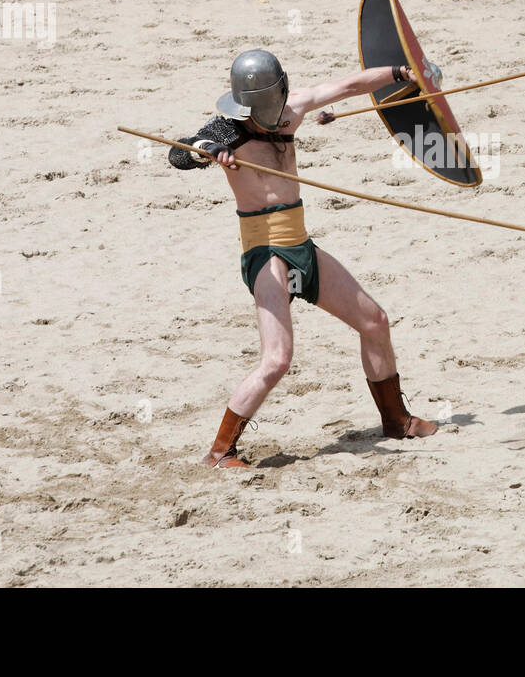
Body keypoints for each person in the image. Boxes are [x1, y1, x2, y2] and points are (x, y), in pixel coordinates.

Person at [168, 49, 437, 467]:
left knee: (375, 321)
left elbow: (348, 86)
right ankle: (220, 452)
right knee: (277, 359)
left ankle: (395, 420)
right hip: (266, 253)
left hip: (300, 244)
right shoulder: (228, 129)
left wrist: (402, 72)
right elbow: (179, 152)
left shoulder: (292, 111)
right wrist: (206, 149)